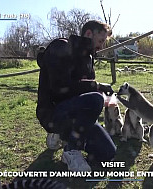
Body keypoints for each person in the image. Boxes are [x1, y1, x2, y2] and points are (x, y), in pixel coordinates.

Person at [36, 20, 116, 172]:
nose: (101, 46)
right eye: (100, 41)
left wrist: (101, 96)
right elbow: (60, 89)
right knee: (95, 99)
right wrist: (96, 87)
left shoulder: (89, 58)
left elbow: (85, 91)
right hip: (54, 112)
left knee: (108, 153)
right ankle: (71, 149)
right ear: (88, 34)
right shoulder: (60, 47)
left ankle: (68, 136)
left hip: (77, 114)